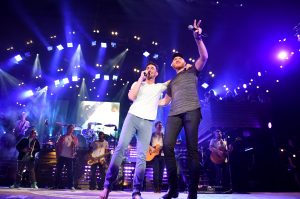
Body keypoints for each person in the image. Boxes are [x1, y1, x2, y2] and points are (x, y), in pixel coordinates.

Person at [99, 62, 169, 199]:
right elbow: (131, 97)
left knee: (141, 157)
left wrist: (183, 72)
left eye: (152, 68)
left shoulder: (158, 87)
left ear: (156, 73)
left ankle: (136, 191)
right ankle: (107, 187)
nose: (149, 70)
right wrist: (140, 79)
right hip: (132, 118)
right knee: (120, 148)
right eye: (147, 68)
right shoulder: (138, 84)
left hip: (148, 122)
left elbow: (166, 96)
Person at [159, 19, 208, 199]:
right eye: (174, 59)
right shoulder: (171, 82)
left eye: (180, 57)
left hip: (192, 111)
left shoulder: (192, 70)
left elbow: (204, 57)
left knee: (192, 149)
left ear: (185, 62)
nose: (177, 59)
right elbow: (165, 101)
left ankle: (192, 193)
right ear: (172, 65)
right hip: (174, 114)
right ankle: (173, 189)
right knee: (167, 146)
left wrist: (198, 38)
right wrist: (147, 101)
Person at [53, 124, 78, 190]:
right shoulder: (62, 137)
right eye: (70, 128)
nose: (71, 130)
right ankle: (56, 185)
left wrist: (74, 150)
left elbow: (76, 147)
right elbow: (57, 145)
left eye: (72, 129)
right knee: (58, 171)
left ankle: (71, 186)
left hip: (70, 157)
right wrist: (57, 154)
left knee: (70, 172)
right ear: (68, 129)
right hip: (62, 156)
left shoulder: (74, 138)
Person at [149, 121, 165, 193]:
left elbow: (166, 145)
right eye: (159, 126)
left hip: (162, 155)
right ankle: (156, 188)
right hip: (154, 156)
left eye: (161, 126)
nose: (160, 127)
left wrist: (162, 147)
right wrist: (152, 149)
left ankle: (160, 188)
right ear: (155, 127)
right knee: (156, 172)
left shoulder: (163, 135)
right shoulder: (152, 135)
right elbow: (148, 145)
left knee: (161, 172)